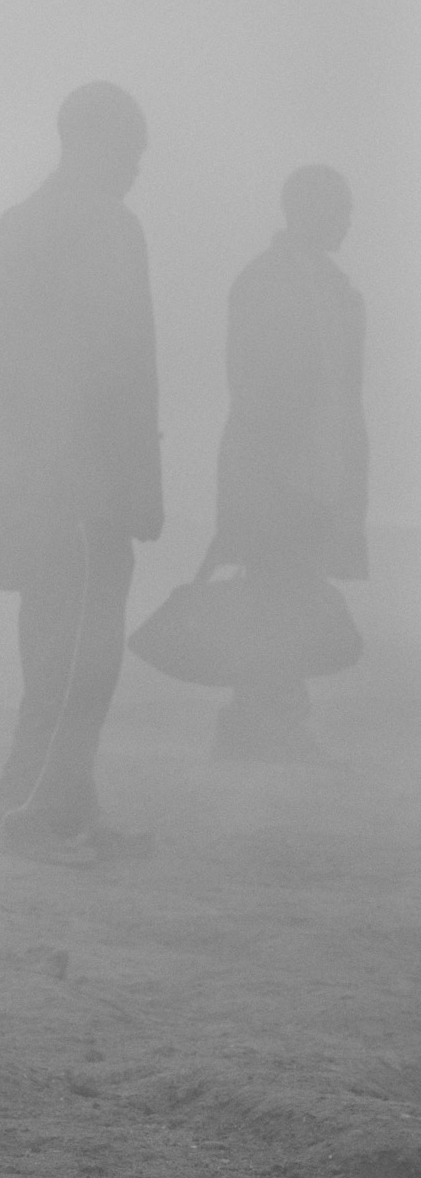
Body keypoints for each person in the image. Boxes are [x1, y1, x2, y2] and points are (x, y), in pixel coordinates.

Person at [0, 83, 161, 866]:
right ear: (82, 139)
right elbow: (31, 360)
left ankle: (70, 801)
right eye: (129, 149)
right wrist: (66, 464)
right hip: (72, 477)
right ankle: (12, 807)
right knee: (71, 645)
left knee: (81, 640)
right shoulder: (65, 226)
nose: (137, 167)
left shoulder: (77, 225)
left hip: (84, 477)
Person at [204, 165, 366, 759]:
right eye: (339, 207)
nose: (348, 220)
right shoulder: (265, 282)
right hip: (275, 471)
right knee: (273, 592)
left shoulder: (339, 291)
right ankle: (262, 721)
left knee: (293, 592)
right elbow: (250, 386)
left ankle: (272, 718)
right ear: (305, 210)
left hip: (320, 473)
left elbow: (344, 393)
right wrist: (264, 470)